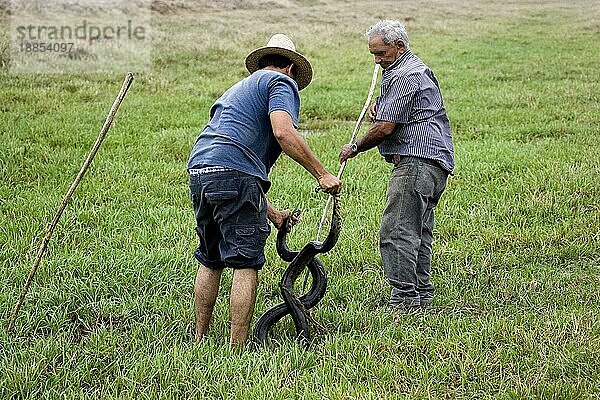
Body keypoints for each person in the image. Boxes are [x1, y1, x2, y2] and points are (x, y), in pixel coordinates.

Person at [187, 34, 342, 346]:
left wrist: (271, 213)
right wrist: (322, 173)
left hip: (200, 169)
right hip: (233, 173)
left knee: (210, 257)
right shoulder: (280, 83)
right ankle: (238, 349)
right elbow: (283, 133)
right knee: (245, 263)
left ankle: (200, 337)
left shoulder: (236, 90)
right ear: (289, 68)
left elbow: (234, 163)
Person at [339, 20, 454, 311]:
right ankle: (421, 295)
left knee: (397, 231)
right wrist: (383, 107)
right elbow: (397, 114)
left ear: (399, 46)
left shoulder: (404, 74)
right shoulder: (412, 69)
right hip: (434, 162)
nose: (376, 60)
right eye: (373, 55)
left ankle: (404, 300)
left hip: (415, 162)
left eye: (380, 53)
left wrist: (355, 147)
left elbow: (386, 128)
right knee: (418, 231)